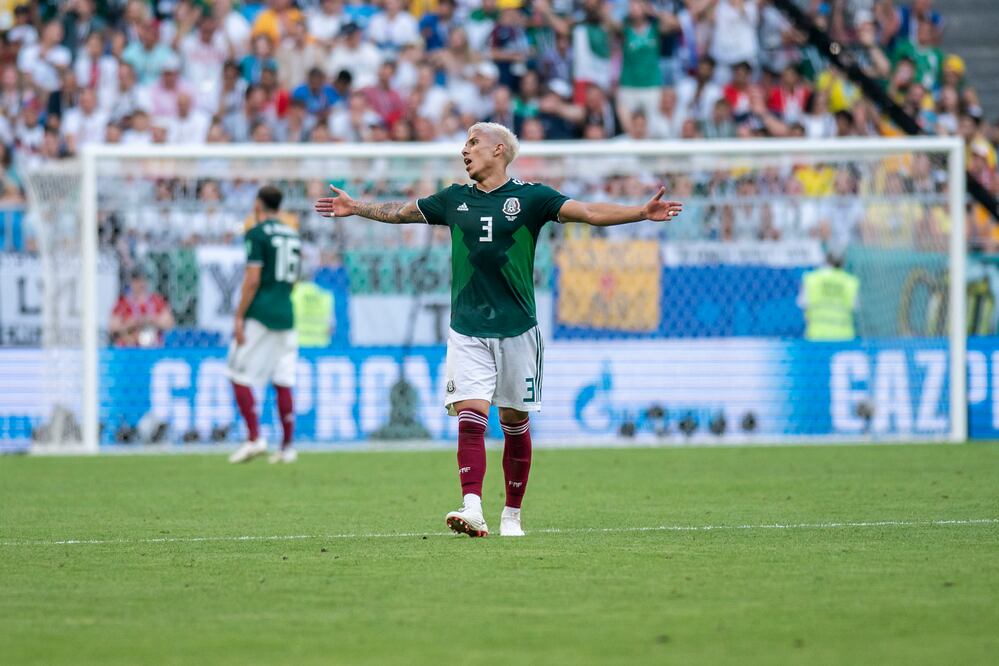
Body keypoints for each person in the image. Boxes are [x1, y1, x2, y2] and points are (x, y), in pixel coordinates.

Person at [314, 122, 682, 537]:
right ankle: (473, 507)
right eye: (464, 144)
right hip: (468, 327)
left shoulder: (532, 198)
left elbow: (590, 213)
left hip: (518, 327)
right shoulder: (454, 199)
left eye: (473, 143)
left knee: (513, 421)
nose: (464, 150)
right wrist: (356, 206)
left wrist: (640, 213)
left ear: (500, 150)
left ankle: (512, 515)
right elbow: (402, 213)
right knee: (471, 415)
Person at [228, 186, 302, 464]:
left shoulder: (256, 233)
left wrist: (239, 316)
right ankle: (286, 447)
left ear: (258, 204)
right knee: (283, 377)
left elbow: (252, 279)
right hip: (286, 311)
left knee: (237, 371)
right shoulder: (292, 234)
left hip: (261, 313)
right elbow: (293, 277)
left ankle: (254, 437)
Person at [799, 252, 860, 341]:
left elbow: (803, 304)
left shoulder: (811, 279)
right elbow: (854, 306)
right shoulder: (849, 281)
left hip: (816, 335)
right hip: (844, 336)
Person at [109, 268, 175, 347]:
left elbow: (169, 324)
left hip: (153, 346)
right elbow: (113, 328)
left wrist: (151, 320)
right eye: (136, 281)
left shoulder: (157, 301)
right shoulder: (122, 304)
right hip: (129, 347)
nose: (140, 284)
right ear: (131, 283)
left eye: (142, 280)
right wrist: (132, 323)